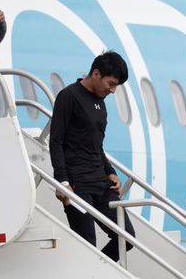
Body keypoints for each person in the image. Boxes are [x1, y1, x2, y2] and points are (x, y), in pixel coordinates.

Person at [49, 51, 135, 261]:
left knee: (127, 238)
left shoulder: (101, 102)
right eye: (111, 83)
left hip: (101, 182)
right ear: (96, 73)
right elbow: (56, 140)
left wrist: (110, 172)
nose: (113, 91)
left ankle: (97, 272)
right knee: (86, 245)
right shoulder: (69, 96)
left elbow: (96, 145)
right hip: (78, 186)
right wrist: (62, 181)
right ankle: (91, 277)